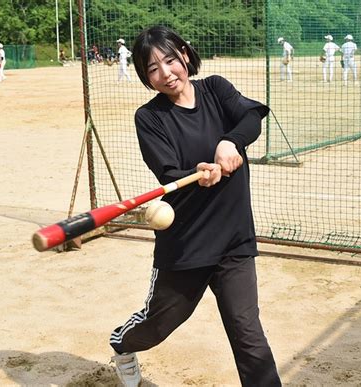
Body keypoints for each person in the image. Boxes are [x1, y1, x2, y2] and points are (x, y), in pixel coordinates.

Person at [109, 26, 281, 387]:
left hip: (234, 240)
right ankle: (122, 345)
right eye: (153, 68)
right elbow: (169, 172)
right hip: (188, 244)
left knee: (247, 333)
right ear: (145, 76)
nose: (166, 73)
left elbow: (251, 118)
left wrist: (230, 141)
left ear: (185, 55)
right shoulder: (150, 118)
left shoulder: (216, 89)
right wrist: (198, 173)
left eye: (170, 60)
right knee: (159, 324)